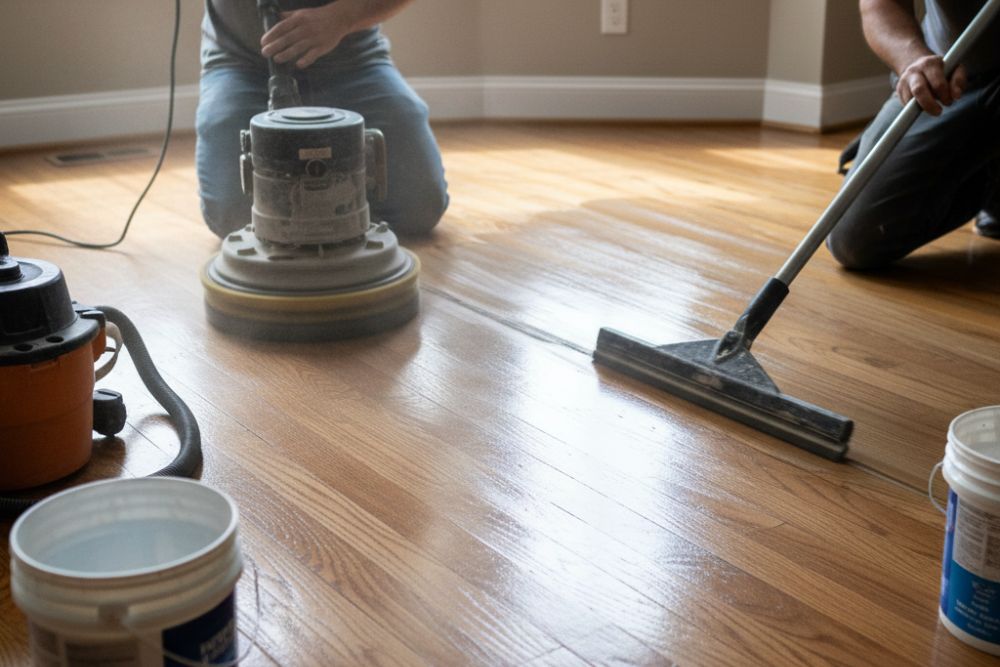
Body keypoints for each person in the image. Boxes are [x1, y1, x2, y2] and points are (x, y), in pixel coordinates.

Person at [195, 0, 448, 239]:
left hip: (354, 62)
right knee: (234, 218)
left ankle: (325, 217)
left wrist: (342, 17)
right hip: (243, 66)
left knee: (420, 207)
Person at [827, 0, 1000, 269]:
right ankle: (989, 180)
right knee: (855, 240)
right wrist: (913, 58)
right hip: (950, 77)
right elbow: (881, 5)